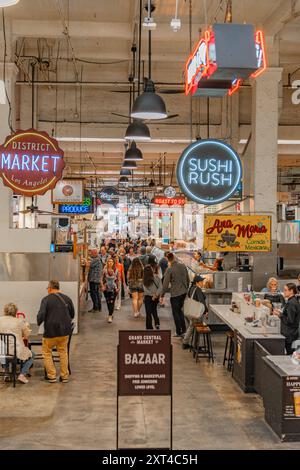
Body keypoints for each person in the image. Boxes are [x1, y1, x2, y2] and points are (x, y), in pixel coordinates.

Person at [37, 280, 75, 383]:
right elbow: (72, 314)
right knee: (63, 352)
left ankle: (52, 376)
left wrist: (38, 322)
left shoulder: (46, 299)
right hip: (64, 331)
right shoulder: (67, 299)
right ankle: (64, 376)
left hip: (50, 332)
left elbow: (41, 315)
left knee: (47, 352)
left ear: (50, 288)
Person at [0, 303, 34, 384]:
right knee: (32, 355)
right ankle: (22, 374)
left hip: (1, 350)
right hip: (16, 350)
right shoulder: (19, 321)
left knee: (5, 353)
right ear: (15, 312)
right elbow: (26, 335)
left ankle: (6, 372)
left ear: (5, 310)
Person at [161, 252, 190, 337]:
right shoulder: (183, 266)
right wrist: (186, 288)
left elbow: (165, 284)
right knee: (180, 310)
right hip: (184, 292)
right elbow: (187, 279)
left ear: (168, 259)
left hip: (175, 293)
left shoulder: (169, 269)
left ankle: (178, 331)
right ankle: (184, 329)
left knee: (175, 312)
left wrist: (162, 295)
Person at [182, 275, 208, 349]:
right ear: (197, 282)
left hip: (190, 311)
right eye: (201, 281)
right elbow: (202, 301)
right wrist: (206, 311)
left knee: (191, 327)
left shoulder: (191, 288)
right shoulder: (198, 290)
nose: (202, 282)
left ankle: (185, 343)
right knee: (196, 328)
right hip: (196, 313)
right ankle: (195, 346)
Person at [273, 283, 300, 355]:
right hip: (291, 333)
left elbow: (290, 321)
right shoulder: (292, 301)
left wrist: (280, 314)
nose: (284, 292)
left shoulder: (292, 303)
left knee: (290, 355)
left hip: (290, 335)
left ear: (291, 291)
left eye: (285, 290)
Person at [143, 265, 162, 330]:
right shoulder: (157, 278)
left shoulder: (144, 279)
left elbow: (145, 290)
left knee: (148, 312)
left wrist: (151, 295)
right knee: (154, 310)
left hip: (148, 297)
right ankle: (157, 324)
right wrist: (156, 295)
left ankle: (149, 327)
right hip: (155, 298)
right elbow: (160, 287)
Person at [101, 258, 120, 323]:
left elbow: (118, 280)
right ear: (107, 262)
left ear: (113, 263)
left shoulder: (116, 270)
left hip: (114, 288)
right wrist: (102, 286)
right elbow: (101, 279)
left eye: (111, 261)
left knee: (112, 301)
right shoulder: (104, 270)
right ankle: (110, 313)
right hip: (106, 288)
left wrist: (118, 288)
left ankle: (110, 315)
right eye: (109, 261)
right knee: (108, 301)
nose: (110, 263)